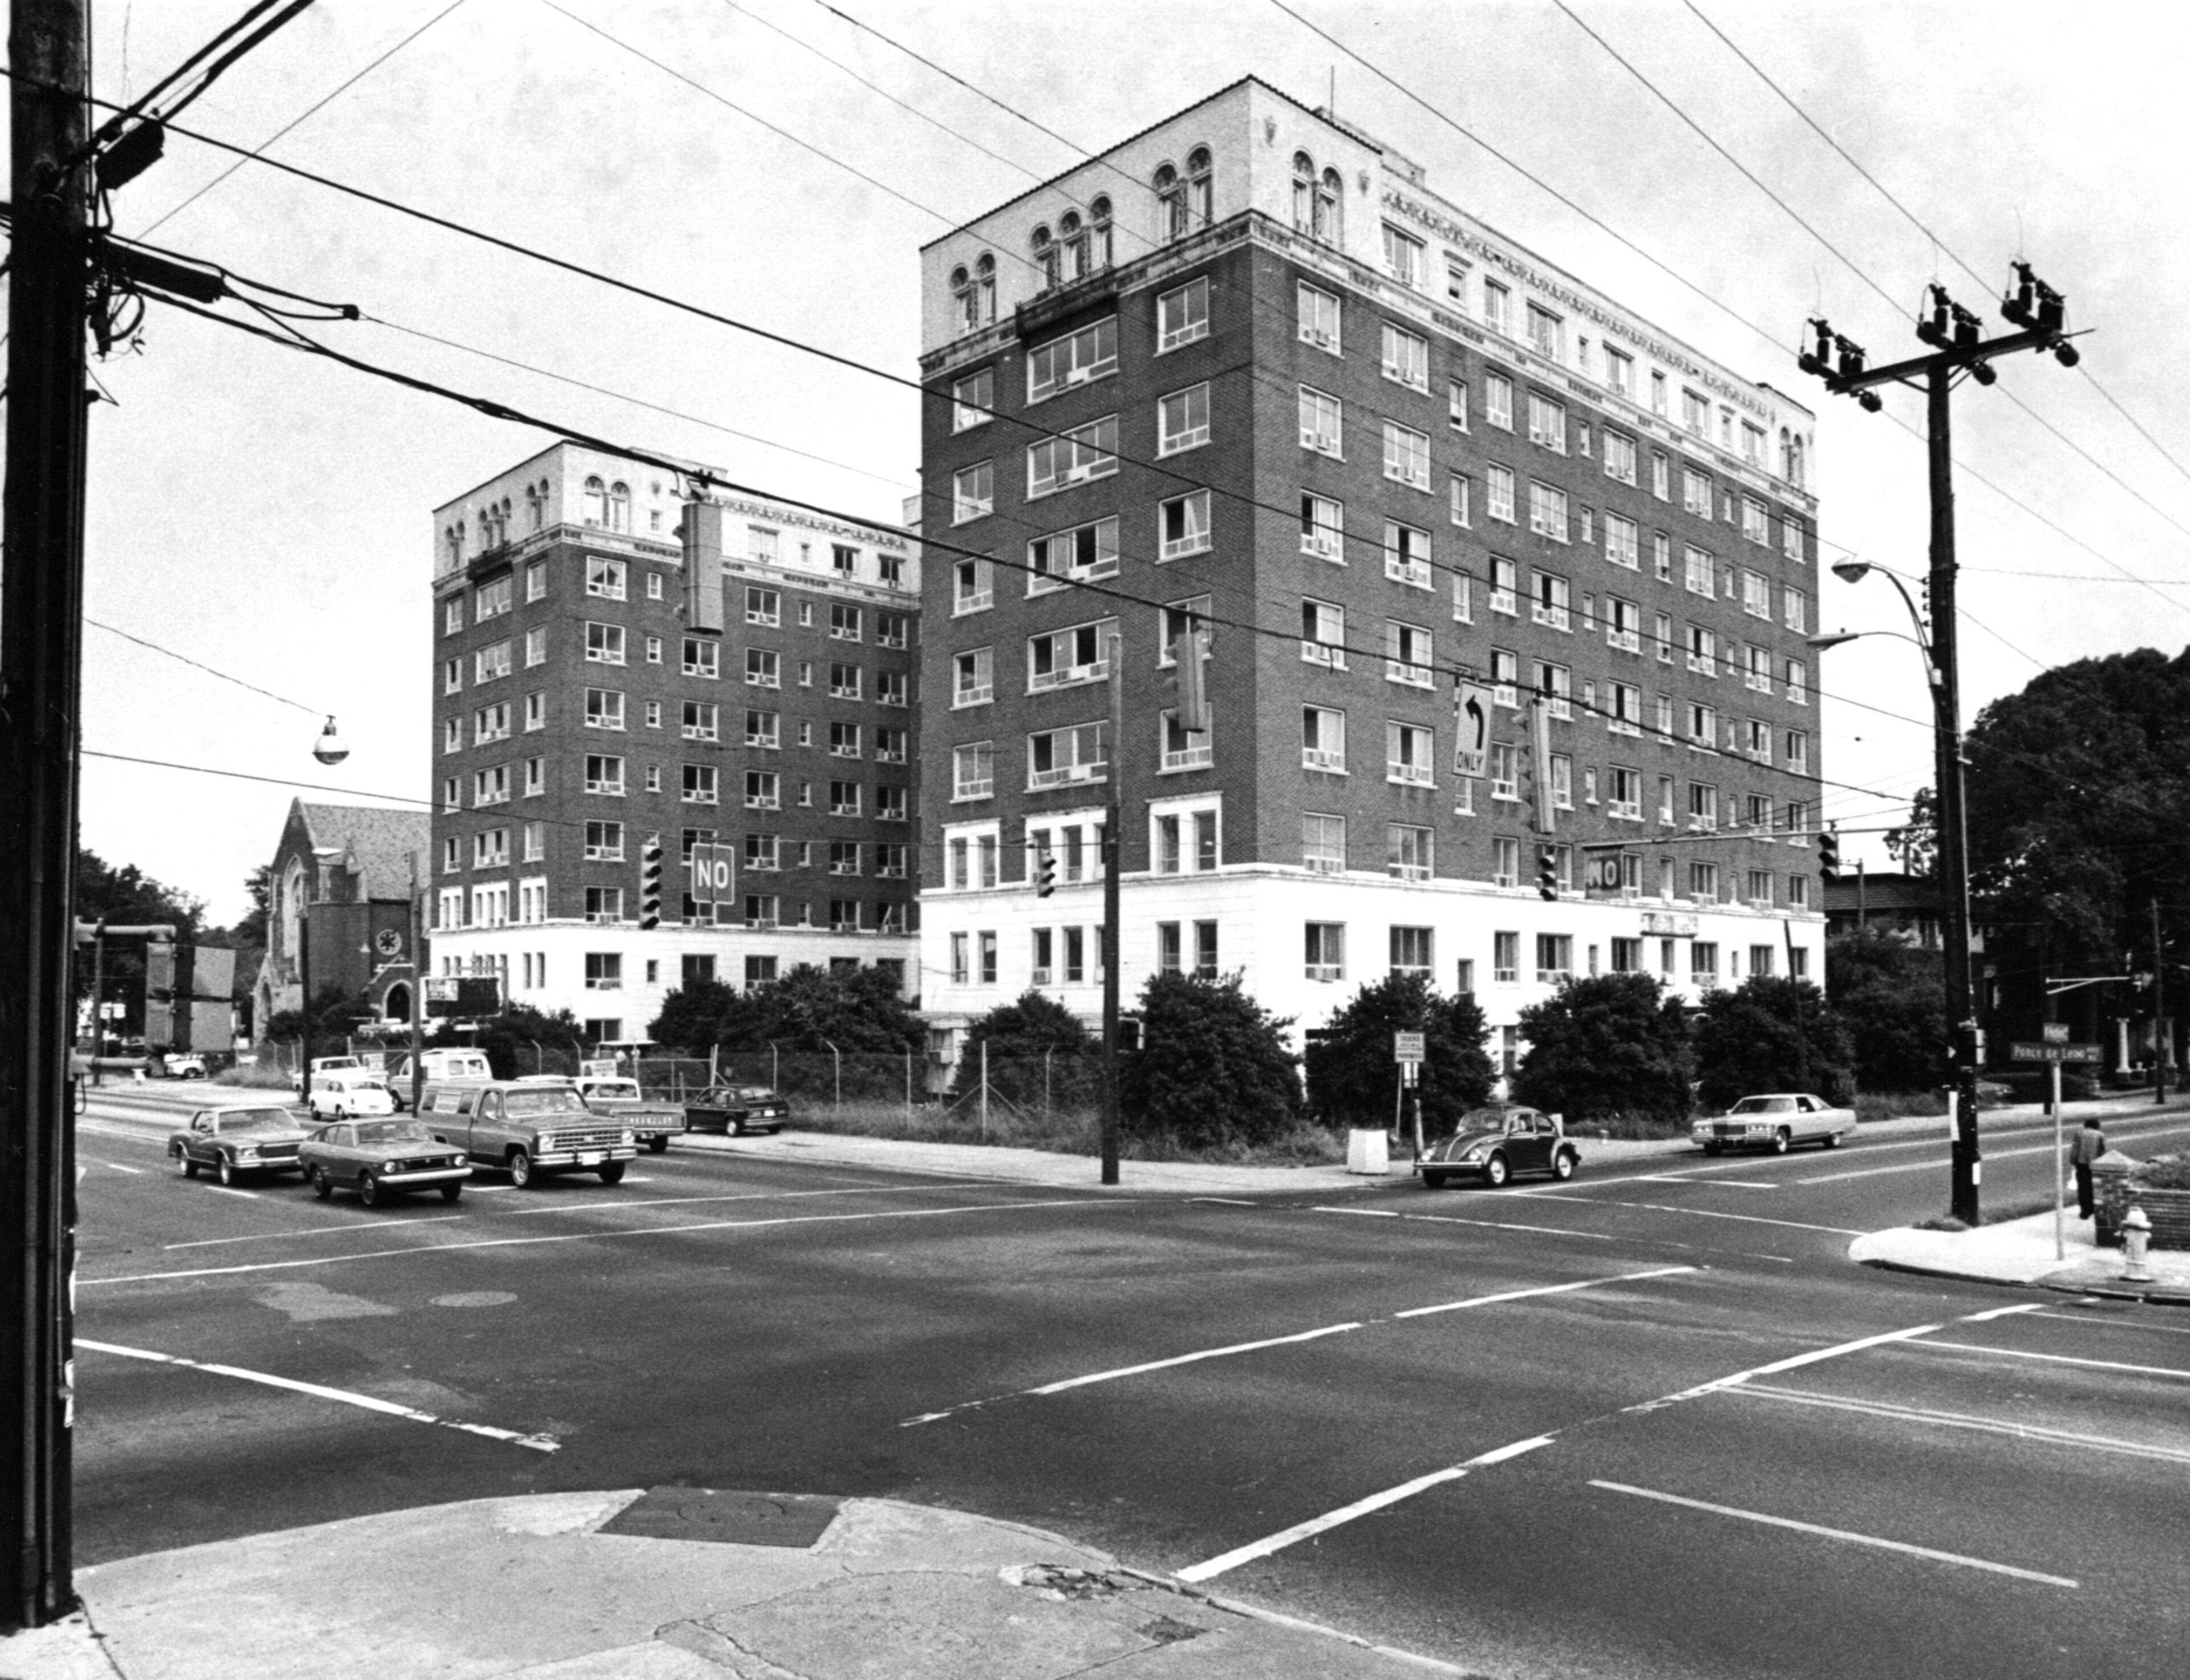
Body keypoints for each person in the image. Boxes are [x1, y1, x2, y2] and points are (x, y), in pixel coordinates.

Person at [2068, 1114, 2107, 1219]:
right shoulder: (2100, 1135)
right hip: (2095, 1164)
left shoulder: (2079, 1133)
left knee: (2083, 1187)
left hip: (2081, 1163)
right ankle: (2093, 1207)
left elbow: (2075, 1148)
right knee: (2093, 1186)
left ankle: (2084, 1211)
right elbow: (2102, 1151)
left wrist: (2073, 1161)